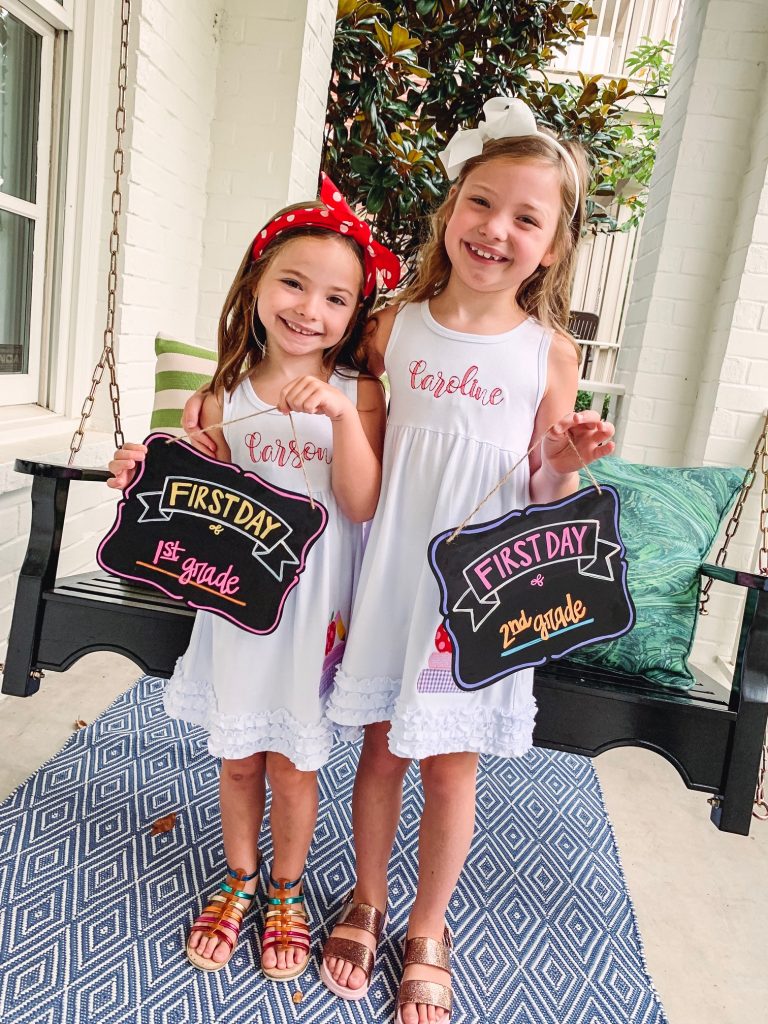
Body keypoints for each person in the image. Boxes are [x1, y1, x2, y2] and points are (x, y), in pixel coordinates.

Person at [318, 98, 616, 1024]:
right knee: (379, 747)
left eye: (527, 218)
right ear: (451, 212)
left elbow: (541, 497)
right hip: (392, 574)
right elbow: (352, 446)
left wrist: (561, 465)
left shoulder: (548, 353)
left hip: (477, 598)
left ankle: (428, 926)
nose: (496, 230)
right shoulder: (391, 328)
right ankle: (365, 899)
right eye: (481, 204)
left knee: (450, 763)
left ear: (555, 247)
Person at [107, 175, 397, 981]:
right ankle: (237, 881)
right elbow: (200, 489)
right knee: (239, 758)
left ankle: (286, 891)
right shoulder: (220, 395)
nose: (311, 309)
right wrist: (145, 464)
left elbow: (362, 499)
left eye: (336, 298)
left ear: (353, 315)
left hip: (313, 611)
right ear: (257, 284)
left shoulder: (358, 394)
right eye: (294, 283)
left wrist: (338, 419)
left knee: (292, 763)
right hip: (238, 604)